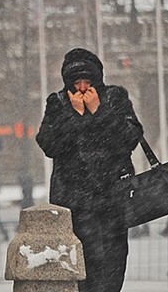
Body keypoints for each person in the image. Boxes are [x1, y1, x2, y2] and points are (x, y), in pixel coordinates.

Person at [36, 48, 143, 292]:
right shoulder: (58, 103)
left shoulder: (115, 98)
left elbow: (130, 138)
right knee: (81, 275)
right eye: (77, 83)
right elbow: (49, 144)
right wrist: (74, 117)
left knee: (112, 272)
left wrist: (100, 112)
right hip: (75, 208)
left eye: (88, 82)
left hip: (112, 203)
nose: (83, 89)